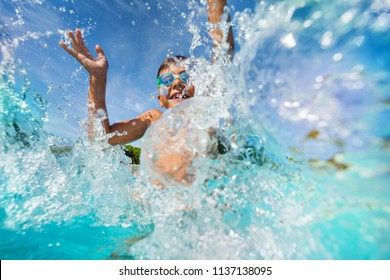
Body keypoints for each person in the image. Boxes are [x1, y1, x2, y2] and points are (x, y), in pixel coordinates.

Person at [59, 0, 235, 184]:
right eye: (167, 80)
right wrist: (97, 79)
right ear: (161, 99)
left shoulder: (207, 112)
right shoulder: (154, 118)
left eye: (186, 78)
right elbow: (100, 140)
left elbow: (224, 51)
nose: (177, 83)